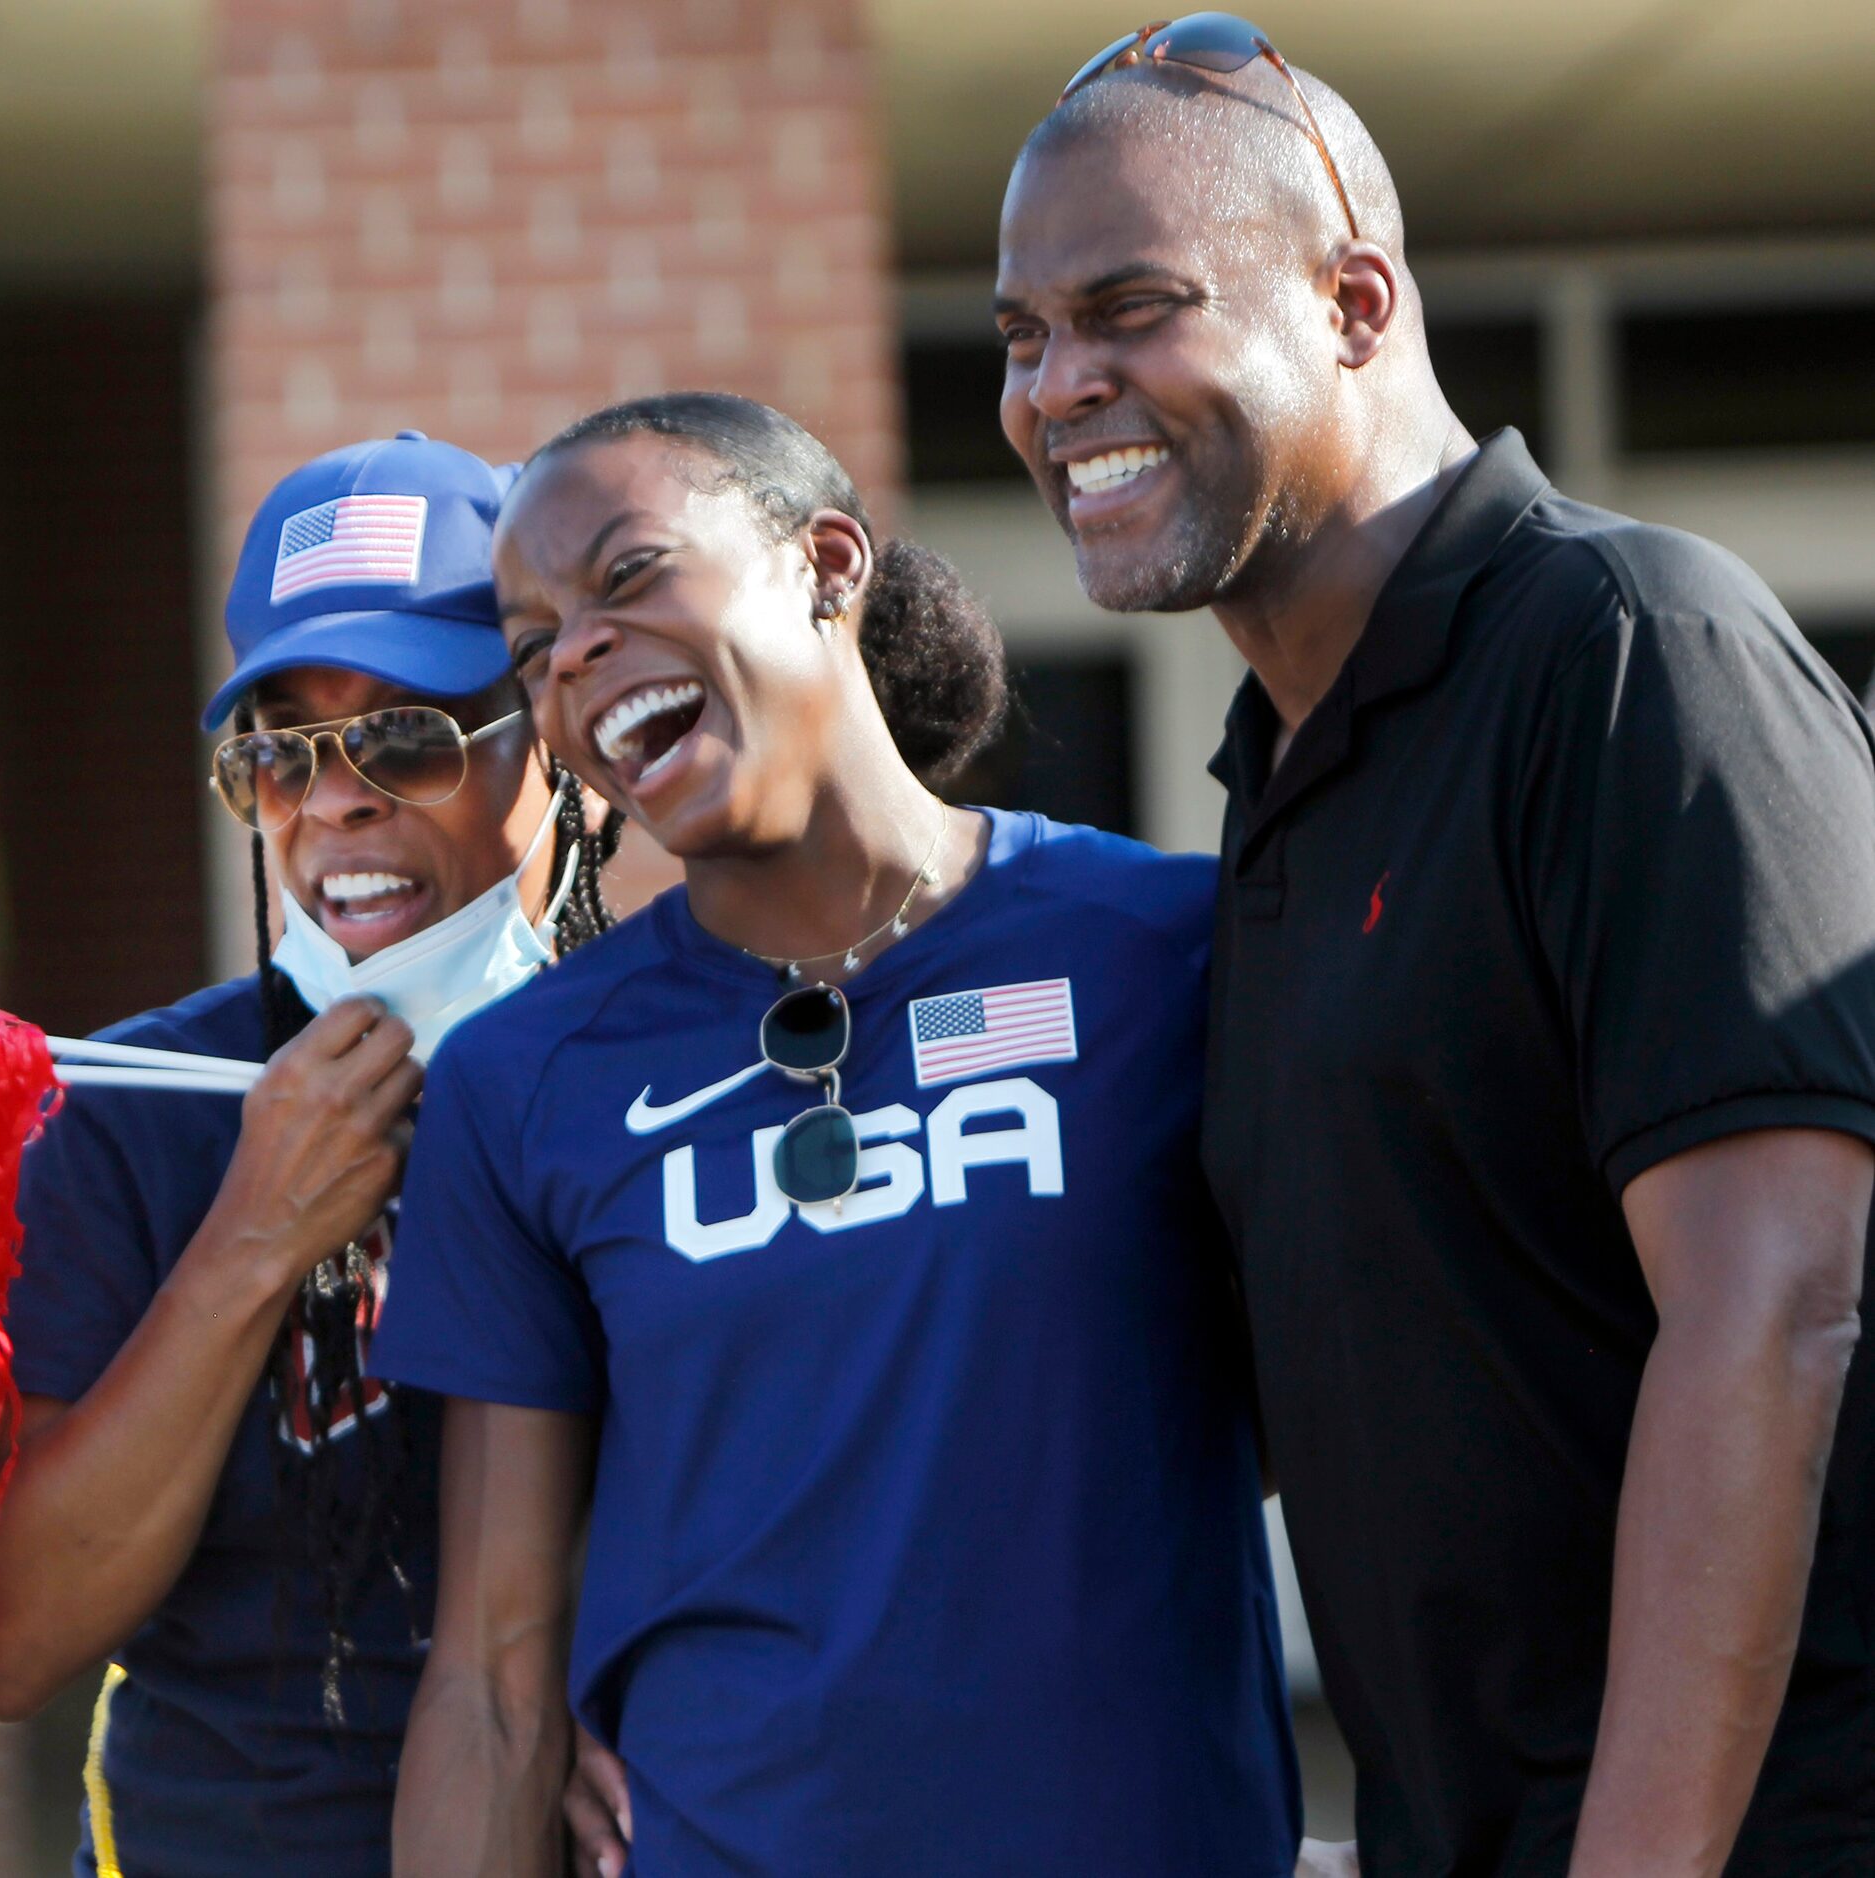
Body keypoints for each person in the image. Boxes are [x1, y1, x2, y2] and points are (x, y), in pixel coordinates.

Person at [995, 18, 1875, 1876]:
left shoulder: (1630, 652)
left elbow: (1777, 1311)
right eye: (1023, 335)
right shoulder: (1279, 789)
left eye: (1131, 306)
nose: (1059, 386)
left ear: (1353, 300)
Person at [372, 392, 1305, 1876]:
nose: (577, 657)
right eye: (536, 644)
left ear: (826, 562)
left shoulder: (1167, 952)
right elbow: (493, 1671)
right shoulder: (526, 1080)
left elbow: (1360, 1420)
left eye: (627, 577)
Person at [0, 432, 622, 1876]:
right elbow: (13, 1642)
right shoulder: (141, 1101)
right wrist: (255, 1234)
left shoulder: (672, 1065)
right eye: (280, 754)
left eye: (405, 735)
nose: (335, 802)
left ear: (551, 741)